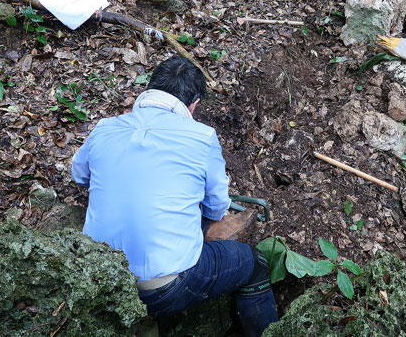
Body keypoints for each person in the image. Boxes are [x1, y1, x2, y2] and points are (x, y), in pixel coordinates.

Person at [71, 56, 278, 336]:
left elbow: (79, 175)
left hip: (98, 275)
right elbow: (217, 207)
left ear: (150, 89)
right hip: (165, 287)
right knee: (255, 265)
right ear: (193, 105)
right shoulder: (202, 137)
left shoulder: (105, 127)